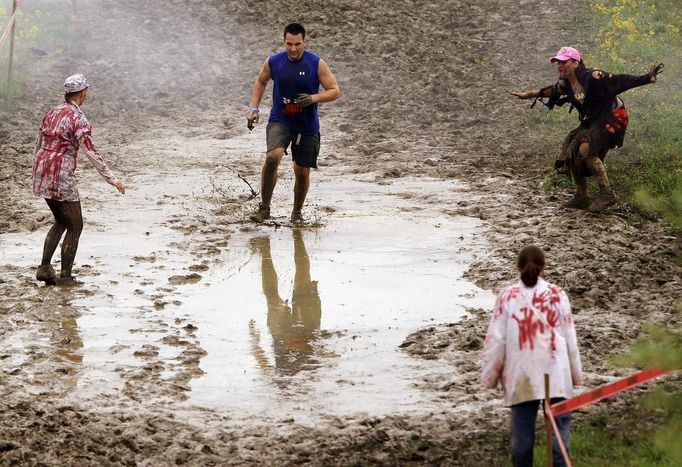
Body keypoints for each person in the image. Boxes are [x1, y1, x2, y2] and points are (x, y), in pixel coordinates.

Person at [511, 46, 664, 212]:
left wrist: (647, 78)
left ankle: (607, 194)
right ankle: (582, 196)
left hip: (612, 116)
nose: (560, 66)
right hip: (592, 120)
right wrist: (528, 95)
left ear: (576, 63)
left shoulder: (593, 76)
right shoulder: (566, 84)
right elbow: (552, 91)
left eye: (564, 62)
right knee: (573, 151)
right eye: (558, 62)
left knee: (585, 150)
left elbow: (619, 81)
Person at [481, 245, 582, 467]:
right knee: (559, 437)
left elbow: (496, 340)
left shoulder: (507, 296)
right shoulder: (557, 295)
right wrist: (575, 375)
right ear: (544, 267)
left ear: (517, 267)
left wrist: (489, 378)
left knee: (522, 440)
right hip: (556, 373)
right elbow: (570, 337)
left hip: (522, 374)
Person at [32, 74, 125, 286]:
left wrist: (35, 172)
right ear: (84, 92)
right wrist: (113, 179)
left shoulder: (51, 112)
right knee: (75, 225)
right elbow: (91, 151)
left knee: (61, 221)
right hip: (60, 174)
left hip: (41, 170)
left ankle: (45, 268)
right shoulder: (78, 119)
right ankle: (65, 277)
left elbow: (39, 143)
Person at [247, 22, 340, 224]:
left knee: (302, 171)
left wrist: (314, 98)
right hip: (280, 119)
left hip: (306, 125)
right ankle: (264, 208)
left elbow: (334, 90)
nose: (293, 49)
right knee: (273, 156)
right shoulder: (274, 61)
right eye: (289, 44)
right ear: (284, 42)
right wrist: (254, 108)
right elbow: (261, 81)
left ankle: (296, 214)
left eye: (298, 44)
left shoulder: (316, 63)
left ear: (304, 41)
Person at [248, 230, 322, 378]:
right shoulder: (309, 374)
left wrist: (255, 343)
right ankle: (298, 237)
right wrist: (299, 344)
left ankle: (265, 249)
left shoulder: (280, 382)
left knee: (272, 299)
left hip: (281, 335)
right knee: (302, 276)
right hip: (307, 328)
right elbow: (324, 353)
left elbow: (264, 366)